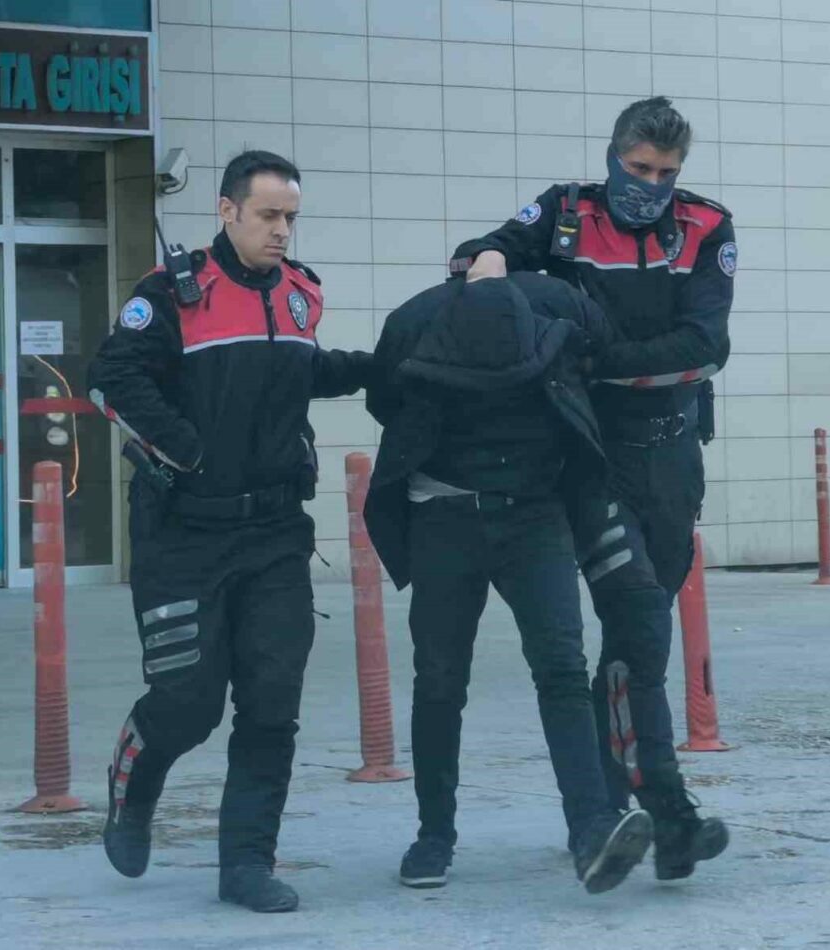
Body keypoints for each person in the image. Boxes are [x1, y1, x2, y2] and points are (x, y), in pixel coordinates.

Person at [451, 96, 733, 880]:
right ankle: (670, 812)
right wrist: (490, 263)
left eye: (666, 173)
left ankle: (630, 809)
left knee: (638, 644)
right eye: (640, 168)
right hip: (589, 457)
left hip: (672, 457)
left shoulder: (707, 228)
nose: (652, 185)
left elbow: (704, 346)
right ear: (614, 157)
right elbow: (483, 252)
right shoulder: (566, 212)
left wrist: (589, 357)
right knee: (637, 614)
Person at [86, 150, 372, 913]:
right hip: (183, 533)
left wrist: (377, 368)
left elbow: (301, 372)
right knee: (188, 702)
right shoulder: (172, 294)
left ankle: (246, 864)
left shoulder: (302, 294)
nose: (281, 230)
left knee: (272, 704)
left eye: (291, 217)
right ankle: (132, 784)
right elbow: (110, 378)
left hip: (276, 533)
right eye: (269, 215)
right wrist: (186, 447)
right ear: (227, 211)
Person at [363, 275, 653, 893]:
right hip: (442, 518)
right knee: (439, 682)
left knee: (562, 670)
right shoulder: (417, 340)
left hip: (534, 517)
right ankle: (433, 837)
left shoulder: (555, 339)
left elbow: (601, 383)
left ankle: (591, 829)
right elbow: (384, 399)